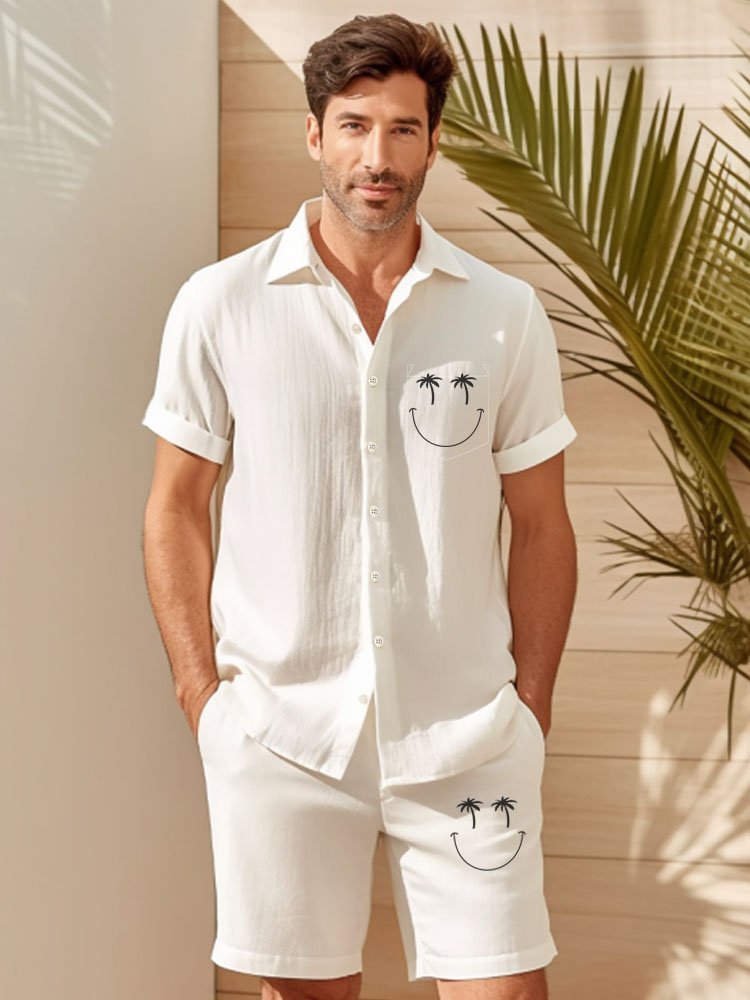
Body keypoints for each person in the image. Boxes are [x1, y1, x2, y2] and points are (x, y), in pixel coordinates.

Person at [141, 12, 577, 1000]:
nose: (377, 157)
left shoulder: (503, 314)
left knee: (508, 990)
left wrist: (531, 708)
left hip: (468, 738)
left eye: (402, 129)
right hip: (279, 736)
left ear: (433, 143)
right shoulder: (221, 303)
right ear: (314, 134)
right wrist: (202, 697)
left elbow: (542, 522)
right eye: (354, 126)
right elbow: (175, 507)